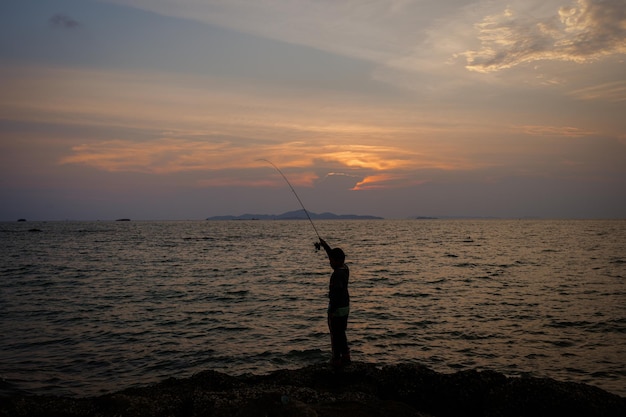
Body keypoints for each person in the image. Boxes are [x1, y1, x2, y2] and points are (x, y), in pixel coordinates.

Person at [318, 238, 351, 367]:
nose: (329, 262)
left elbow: (336, 295)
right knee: (341, 333)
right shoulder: (345, 268)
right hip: (345, 308)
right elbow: (334, 255)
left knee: (335, 335)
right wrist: (326, 246)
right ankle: (346, 356)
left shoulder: (336, 275)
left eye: (331, 261)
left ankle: (336, 359)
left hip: (336, 310)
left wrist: (331, 311)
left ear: (337, 262)